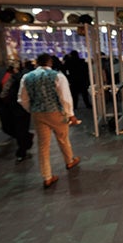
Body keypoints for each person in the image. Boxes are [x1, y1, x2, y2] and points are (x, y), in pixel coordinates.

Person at [18, 53, 81, 188]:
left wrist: (32, 109)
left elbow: (22, 98)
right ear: (50, 62)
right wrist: (70, 114)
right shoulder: (57, 76)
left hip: (38, 113)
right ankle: (69, 160)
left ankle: (47, 176)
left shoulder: (26, 77)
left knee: (43, 146)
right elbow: (65, 97)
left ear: (37, 63)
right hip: (56, 112)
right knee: (63, 138)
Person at [0, 60, 33, 163]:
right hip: (6, 106)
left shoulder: (24, 75)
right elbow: (1, 89)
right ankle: (26, 138)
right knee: (7, 128)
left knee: (20, 130)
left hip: (20, 107)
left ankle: (21, 153)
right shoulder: (3, 74)